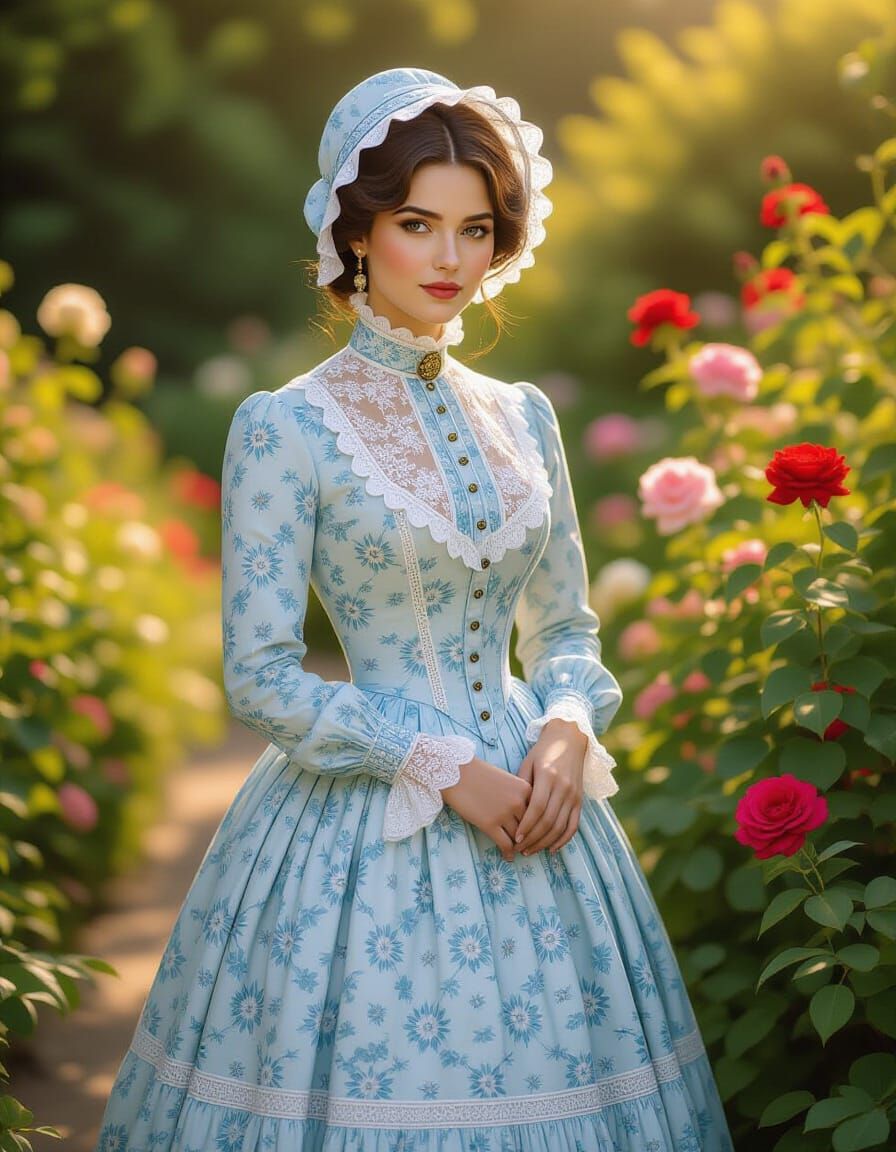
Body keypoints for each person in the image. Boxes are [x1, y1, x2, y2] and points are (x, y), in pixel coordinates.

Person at [94, 66, 735, 1151]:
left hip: (545, 815)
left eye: (474, 228)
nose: (449, 259)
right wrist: (445, 768)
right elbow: (259, 673)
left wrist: (569, 733)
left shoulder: (524, 416)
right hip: (364, 822)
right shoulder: (282, 427)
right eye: (416, 224)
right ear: (355, 234)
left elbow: (566, 631)